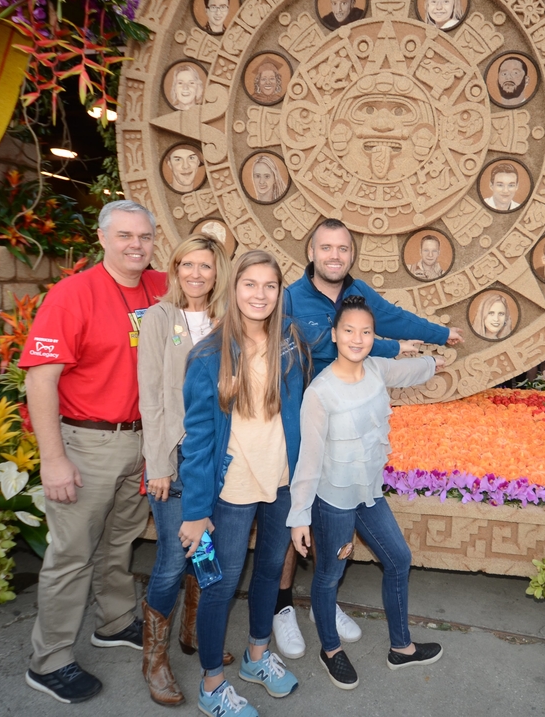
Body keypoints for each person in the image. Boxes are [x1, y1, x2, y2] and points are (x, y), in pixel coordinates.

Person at [276, 218, 463, 657]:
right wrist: (390, 347)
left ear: (351, 254)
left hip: (350, 435)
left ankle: (328, 605)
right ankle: (282, 607)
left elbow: (388, 322)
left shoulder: (358, 295)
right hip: (303, 418)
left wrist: (437, 341)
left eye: (342, 248)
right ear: (312, 252)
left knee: (338, 542)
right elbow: (329, 345)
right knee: (292, 515)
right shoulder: (289, 299)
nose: (334, 255)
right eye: (326, 247)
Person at [21, 200, 167, 704]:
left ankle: (115, 620)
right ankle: (51, 659)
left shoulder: (158, 286)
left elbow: (212, 283)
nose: (136, 245)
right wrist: (53, 457)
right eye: (125, 235)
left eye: (145, 237)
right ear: (102, 239)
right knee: (72, 554)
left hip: (141, 443)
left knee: (119, 542)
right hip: (88, 441)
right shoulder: (72, 295)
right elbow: (40, 380)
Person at [288, 296, 446, 690]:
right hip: (334, 501)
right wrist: (300, 517)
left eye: (366, 332)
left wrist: (434, 362)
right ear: (335, 335)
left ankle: (401, 648)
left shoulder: (376, 368)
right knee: (329, 575)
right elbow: (308, 460)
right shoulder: (320, 392)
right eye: (349, 330)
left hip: (369, 495)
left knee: (398, 558)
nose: (357, 339)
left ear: (374, 337)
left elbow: (408, 371)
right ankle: (330, 650)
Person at [178, 250, 308, 717]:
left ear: (279, 292)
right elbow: (196, 441)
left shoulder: (290, 342)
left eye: (269, 286)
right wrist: (195, 510)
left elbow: (299, 419)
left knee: (270, 574)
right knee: (220, 584)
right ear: (233, 289)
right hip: (231, 490)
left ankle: (257, 657)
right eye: (250, 284)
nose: (260, 294)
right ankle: (212, 685)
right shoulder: (208, 355)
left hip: (281, 483)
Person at [137, 234, 231, 706]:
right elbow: (150, 394)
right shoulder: (159, 318)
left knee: (206, 549)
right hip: (172, 461)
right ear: (175, 269)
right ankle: (154, 659)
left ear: (219, 273)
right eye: (186, 264)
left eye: (205, 266)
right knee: (173, 559)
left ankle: (195, 634)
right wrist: (157, 463)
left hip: (215, 459)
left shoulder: (226, 319)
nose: (196, 273)